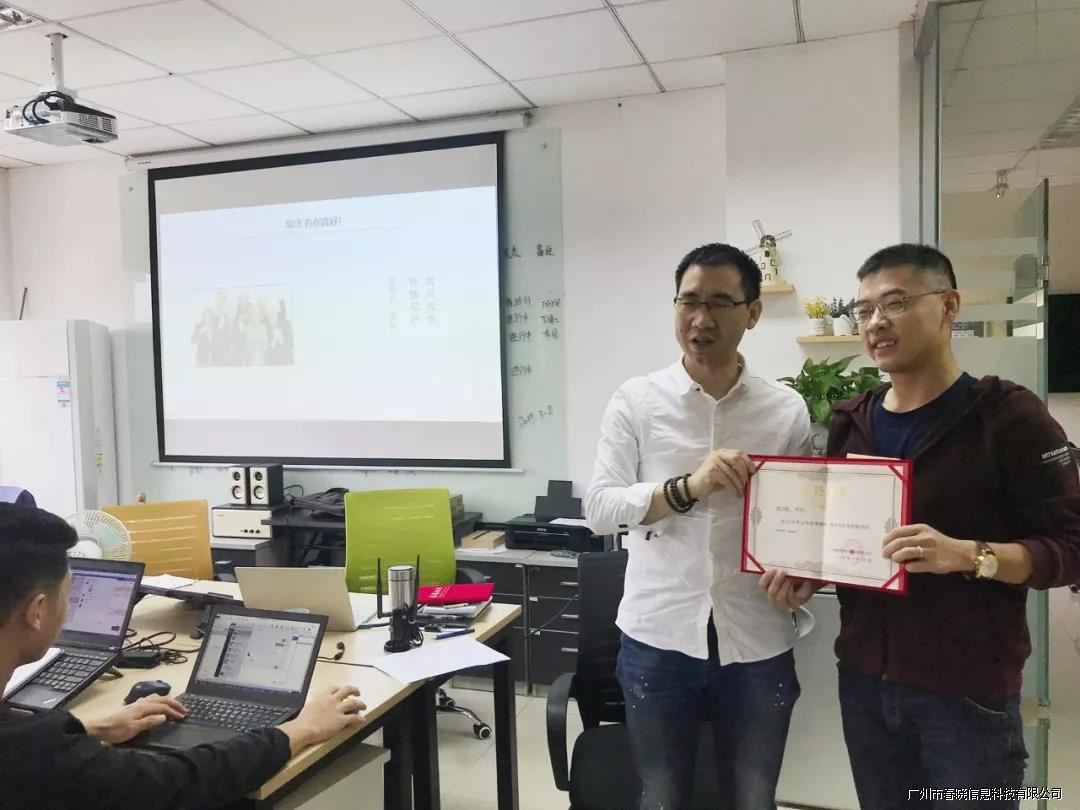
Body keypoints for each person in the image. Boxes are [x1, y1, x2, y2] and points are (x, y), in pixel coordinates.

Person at [762, 244, 1080, 809]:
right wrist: (813, 572)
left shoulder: (1008, 417)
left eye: (896, 303)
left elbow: (1071, 546)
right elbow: (849, 541)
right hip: (865, 684)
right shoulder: (852, 421)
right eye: (864, 310)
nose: (875, 323)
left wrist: (970, 555)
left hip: (966, 693)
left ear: (949, 305)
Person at [585, 243, 812, 810]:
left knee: (754, 798)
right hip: (658, 637)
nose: (700, 319)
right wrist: (686, 487)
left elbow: (801, 522)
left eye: (718, 303)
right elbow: (600, 508)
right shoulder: (637, 400)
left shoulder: (785, 409)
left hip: (757, 635)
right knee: (663, 797)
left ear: (752, 313)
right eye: (688, 301)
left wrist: (803, 572)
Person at [0, 504, 367, 810]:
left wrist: (91, 727)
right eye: (70, 595)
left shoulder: (26, 743)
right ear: (37, 612)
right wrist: (300, 729)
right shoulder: (35, 754)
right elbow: (176, 781)